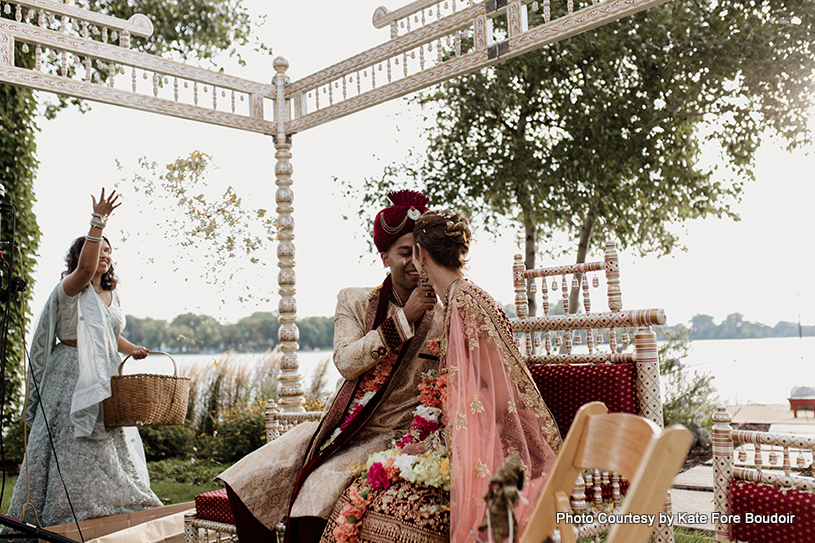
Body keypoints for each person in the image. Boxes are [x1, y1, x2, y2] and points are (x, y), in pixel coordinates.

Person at [320, 209, 562, 543]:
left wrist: (440, 444)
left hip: (484, 444)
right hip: (472, 435)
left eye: (411, 252)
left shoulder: (461, 306)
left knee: (377, 506)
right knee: (372, 491)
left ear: (420, 254)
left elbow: (490, 397)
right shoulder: (467, 297)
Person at [219, 190, 444, 542]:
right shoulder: (354, 301)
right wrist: (404, 319)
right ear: (385, 258)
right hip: (336, 423)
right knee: (245, 481)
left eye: (420, 251)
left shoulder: (447, 314)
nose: (415, 261)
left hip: (390, 434)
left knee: (313, 501)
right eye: (404, 252)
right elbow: (346, 362)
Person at [6, 189, 161, 529]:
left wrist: (132, 348)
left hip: (101, 374)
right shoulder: (70, 286)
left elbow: (107, 334)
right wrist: (98, 222)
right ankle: (66, 510)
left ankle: (108, 507)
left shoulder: (111, 293)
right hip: (70, 373)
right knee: (70, 442)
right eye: (98, 248)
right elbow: (87, 267)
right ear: (81, 256)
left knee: (106, 445)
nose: (104, 254)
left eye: (109, 249)